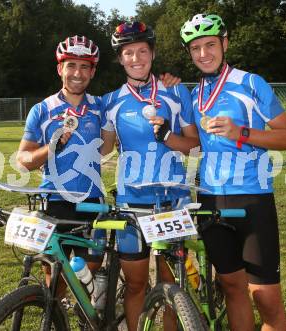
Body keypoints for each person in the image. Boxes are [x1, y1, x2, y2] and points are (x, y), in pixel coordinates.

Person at [180, 14, 286, 331]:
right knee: (232, 288)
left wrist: (241, 133)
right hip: (210, 200)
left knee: (266, 298)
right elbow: (195, 143)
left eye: (210, 44)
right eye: (195, 48)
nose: (203, 53)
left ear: (225, 43)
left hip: (252, 200)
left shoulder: (251, 83)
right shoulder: (195, 96)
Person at [101, 21, 200, 330]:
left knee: (173, 283)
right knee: (135, 284)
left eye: (142, 51)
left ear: (153, 54)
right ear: (120, 58)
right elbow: (103, 151)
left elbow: (193, 144)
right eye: (128, 52)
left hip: (172, 199)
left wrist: (168, 135)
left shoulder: (175, 91)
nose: (136, 58)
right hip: (132, 201)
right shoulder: (110, 101)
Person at [16, 35, 105, 301]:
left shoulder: (101, 106)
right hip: (54, 201)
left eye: (85, 66)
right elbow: (23, 159)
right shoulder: (42, 110)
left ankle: (87, 311)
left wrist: (167, 83)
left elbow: (138, 93)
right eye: (71, 66)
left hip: (91, 202)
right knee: (54, 278)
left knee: (91, 268)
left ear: (92, 71)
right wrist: (52, 146)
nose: (77, 73)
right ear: (60, 69)